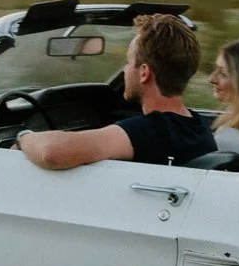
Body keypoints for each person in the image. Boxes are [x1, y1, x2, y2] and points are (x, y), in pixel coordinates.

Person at [16, 13, 212, 169]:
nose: (125, 70)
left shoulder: (150, 131)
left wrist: (24, 137)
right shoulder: (199, 126)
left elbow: (52, 153)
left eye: (128, 62)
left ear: (144, 73)